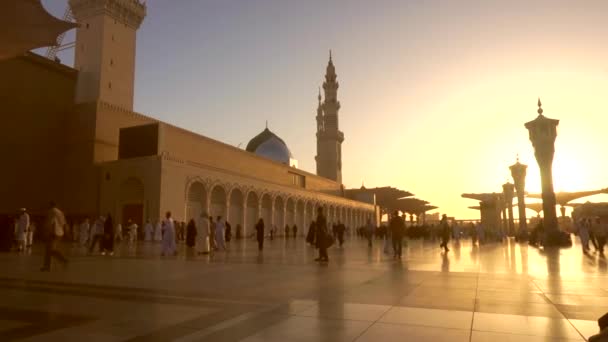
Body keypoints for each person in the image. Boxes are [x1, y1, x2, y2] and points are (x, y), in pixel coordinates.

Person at [40, 202, 68, 271]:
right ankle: (48, 266)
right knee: (50, 250)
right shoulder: (60, 212)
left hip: (53, 232)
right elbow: (64, 223)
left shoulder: (52, 211)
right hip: (60, 233)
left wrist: (45, 230)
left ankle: (62, 260)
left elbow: (50, 222)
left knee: (50, 250)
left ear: (51, 205)